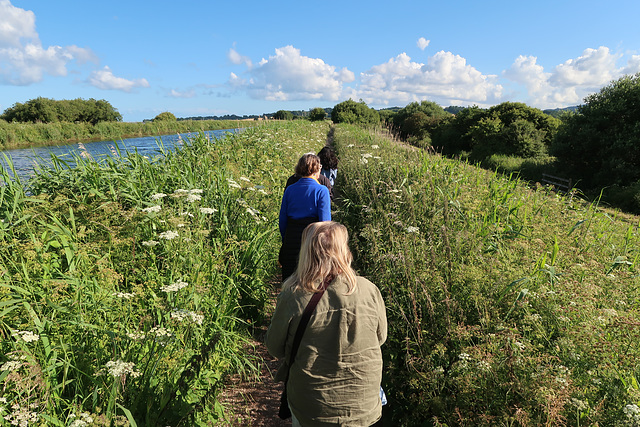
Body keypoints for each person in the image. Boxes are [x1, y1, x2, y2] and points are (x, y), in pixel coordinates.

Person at [266, 221, 387, 426]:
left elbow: (274, 348)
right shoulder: (369, 289)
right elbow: (381, 337)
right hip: (363, 404)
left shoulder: (294, 295)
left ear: (306, 251)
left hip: (313, 407)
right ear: (344, 250)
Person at [279, 153, 331, 281]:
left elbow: (282, 220)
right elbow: (325, 223)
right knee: (310, 279)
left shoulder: (290, 190)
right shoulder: (321, 190)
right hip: (311, 238)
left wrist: (286, 239)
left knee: (289, 278)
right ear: (316, 168)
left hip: (291, 236)